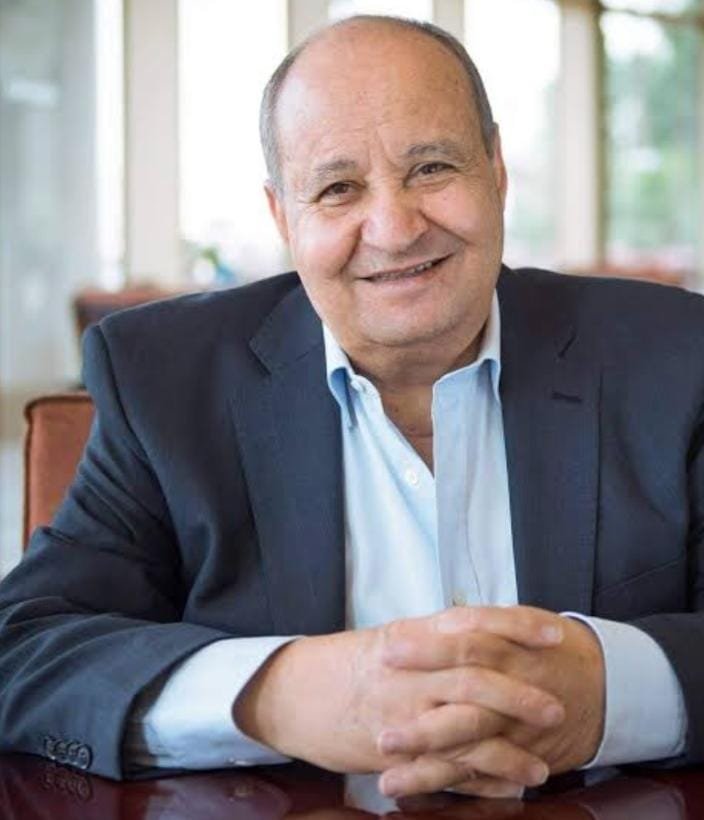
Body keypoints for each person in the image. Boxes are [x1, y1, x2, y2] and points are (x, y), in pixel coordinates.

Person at [1, 14, 703, 800]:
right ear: (283, 217)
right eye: (338, 189)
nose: (395, 230)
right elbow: (26, 653)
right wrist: (278, 695)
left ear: (497, 172)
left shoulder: (679, 358)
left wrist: (614, 692)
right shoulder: (161, 379)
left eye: (431, 168)